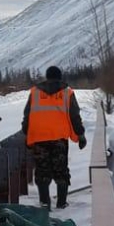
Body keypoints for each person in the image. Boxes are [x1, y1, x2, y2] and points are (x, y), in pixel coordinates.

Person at [20, 66, 86, 209]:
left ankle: (44, 204)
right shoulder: (67, 92)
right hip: (59, 138)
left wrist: (26, 133)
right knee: (61, 170)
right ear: (60, 77)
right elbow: (74, 116)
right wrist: (80, 135)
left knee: (42, 171)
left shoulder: (34, 92)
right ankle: (62, 203)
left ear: (47, 77)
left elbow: (27, 115)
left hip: (39, 138)